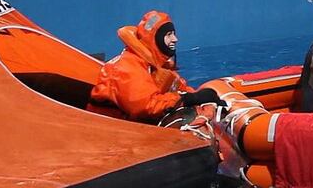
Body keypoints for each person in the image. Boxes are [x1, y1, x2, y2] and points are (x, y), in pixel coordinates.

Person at [88, 10, 223, 123]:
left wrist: (201, 97)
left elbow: (178, 87)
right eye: (169, 35)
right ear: (155, 39)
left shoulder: (155, 64)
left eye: (174, 34)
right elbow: (145, 106)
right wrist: (188, 99)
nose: (175, 39)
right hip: (109, 128)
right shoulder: (127, 67)